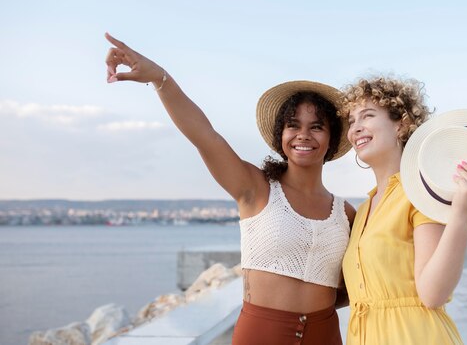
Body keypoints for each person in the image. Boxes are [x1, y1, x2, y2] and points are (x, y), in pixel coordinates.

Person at [104, 33, 356, 345]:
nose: (303, 135)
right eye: (293, 125)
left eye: (316, 127)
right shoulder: (255, 188)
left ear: (330, 140)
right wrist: (160, 79)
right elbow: (203, 135)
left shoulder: (344, 213)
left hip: (325, 335)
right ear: (281, 135)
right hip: (261, 334)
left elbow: (357, 282)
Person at [339, 76, 467, 345]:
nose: (356, 128)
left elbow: (433, 294)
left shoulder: (419, 194)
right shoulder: (363, 209)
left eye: (367, 116)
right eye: (351, 121)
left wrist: (462, 214)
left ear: (402, 124)